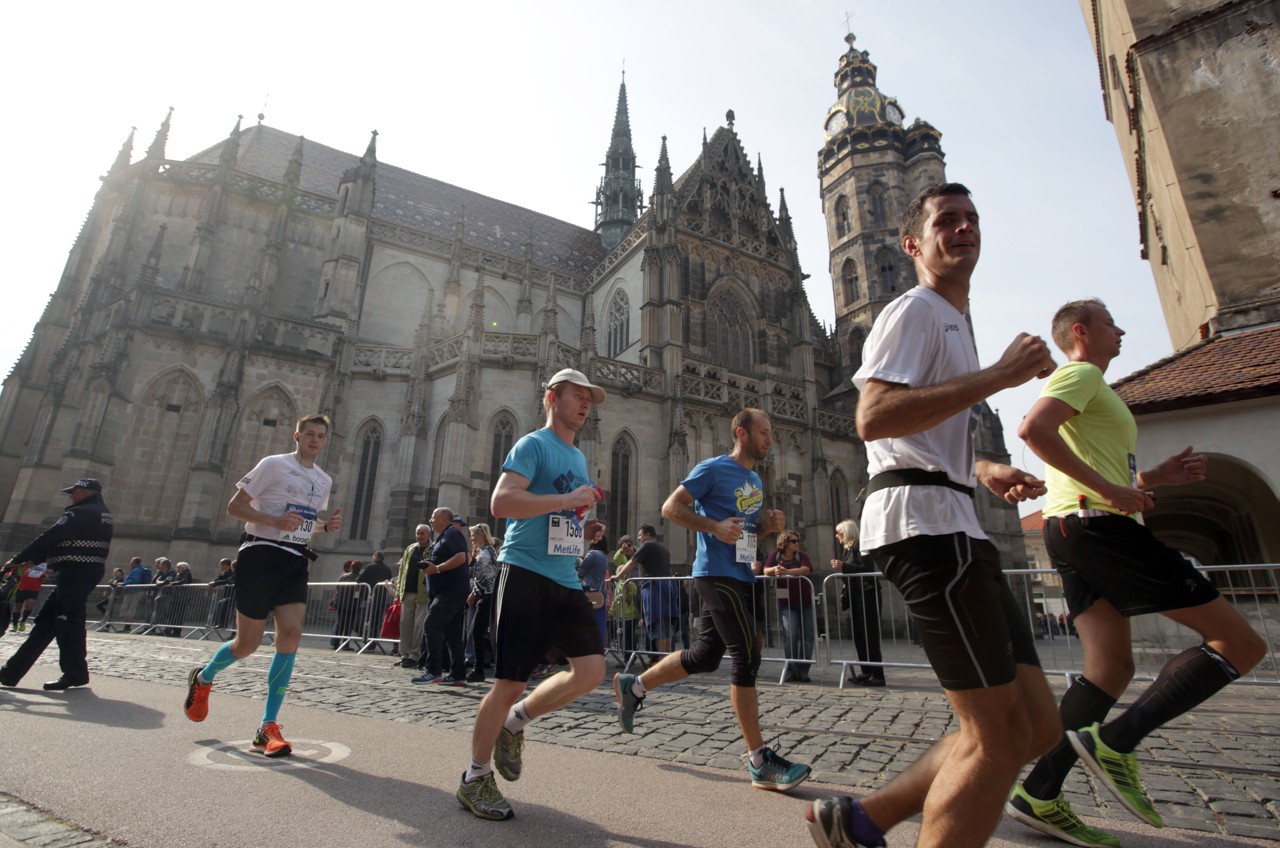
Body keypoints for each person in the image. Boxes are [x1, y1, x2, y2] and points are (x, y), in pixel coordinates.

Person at [807, 183, 1061, 848]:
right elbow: (872, 418)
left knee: (1035, 726)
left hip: (955, 517)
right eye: (946, 220)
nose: (963, 228)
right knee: (996, 739)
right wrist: (1001, 377)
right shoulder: (914, 310)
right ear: (913, 245)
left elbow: (912, 434)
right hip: (925, 526)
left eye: (972, 218)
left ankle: (864, 818)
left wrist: (979, 468)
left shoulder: (948, 322)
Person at [1004, 299, 1266, 847]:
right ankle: (1118, 741)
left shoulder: (1096, 388)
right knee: (1240, 643)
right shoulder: (1079, 374)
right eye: (1109, 322)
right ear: (1080, 332)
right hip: (1100, 527)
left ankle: (1040, 793)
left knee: (1110, 668)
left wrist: (1152, 478)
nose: (1121, 329)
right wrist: (1111, 491)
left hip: (1071, 527)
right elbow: (1033, 430)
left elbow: (1090, 469)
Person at [613, 408, 810, 793]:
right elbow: (671, 508)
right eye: (765, 432)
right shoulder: (713, 468)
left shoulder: (755, 479)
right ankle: (759, 761)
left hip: (741, 574)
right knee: (748, 652)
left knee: (705, 655)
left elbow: (744, 532)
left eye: (772, 432)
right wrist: (712, 526)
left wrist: (766, 529)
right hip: (713, 574)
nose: (771, 438)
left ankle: (634, 686)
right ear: (741, 432)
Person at [455, 367, 607, 821]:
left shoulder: (578, 457)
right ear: (551, 398)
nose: (584, 404)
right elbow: (501, 504)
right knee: (510, 683)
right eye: (576, 396)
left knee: (592, 671)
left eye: (588, 399)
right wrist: (565, 502)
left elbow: (559, 518)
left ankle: (515, 723)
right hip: (523, 572)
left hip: (564, 574)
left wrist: (580, 516)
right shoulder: (532, 445)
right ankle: (474, 778)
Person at [182, 413, 343, 758]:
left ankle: (267, 726)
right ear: (297, 436)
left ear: (325, 441)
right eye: (310, 434)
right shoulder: (273, 465)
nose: (315, 440)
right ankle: (205, 678)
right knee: (247, 644)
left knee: (291, 634)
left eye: (321, 436)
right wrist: (272, 520)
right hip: (259, 553)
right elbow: (235, 507)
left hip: (295, 558)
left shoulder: (323, 480)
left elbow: (304, 524)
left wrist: (324, 529)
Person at [0, 478, 114, 690]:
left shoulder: (81, 512)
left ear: (84, 491)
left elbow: (51, 537)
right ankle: (10, 673)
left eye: (74, 491)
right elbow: (65, 543)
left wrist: (18, 559)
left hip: (77, 572)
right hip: (80, 571)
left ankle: (75, 673)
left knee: (68, 621)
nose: (71, 496)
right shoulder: (99, 511)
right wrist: (33, 560)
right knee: (46, 623)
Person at [412, 508, 470, 685]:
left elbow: (461, 557)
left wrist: (436, 568)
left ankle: (433, 670)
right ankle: (458, 674)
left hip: (451, 591)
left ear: (445, 519)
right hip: (448, 591)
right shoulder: (444, 536)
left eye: (433, 517)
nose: (430, 520)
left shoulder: (452, 533)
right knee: (452, 633)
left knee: (431, 624)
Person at [831, 519, 884, 687]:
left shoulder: (861, 547)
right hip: (856, 595)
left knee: (869, 634)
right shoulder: (848, 549)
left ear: (847, 532)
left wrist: (843, 566)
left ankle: (878, 675)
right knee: (859, 635)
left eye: (838, 532)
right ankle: (866, 671)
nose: (836, 536)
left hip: (867, 594)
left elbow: (868, 570)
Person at [614, 524, 678, 656]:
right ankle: (666, 661)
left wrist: (618, 576)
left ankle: (661, 662)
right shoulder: (663, 548)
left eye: (640, 535)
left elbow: (632, 562)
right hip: (666, 588)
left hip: (654, 589)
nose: (638, 538)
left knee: (658, 627)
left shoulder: (647, 545)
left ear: (648, 535)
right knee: (666, 629)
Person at [764, 530, 815, 682]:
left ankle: (804, 670)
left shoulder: (802, 556)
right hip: (786, 603)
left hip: (805, 600)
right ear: (785, 542)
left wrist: (787, 571)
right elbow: (766, 571)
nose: (797, 543)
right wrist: (775, 569)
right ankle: (791, 669)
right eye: (793, 541)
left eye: (797, 540)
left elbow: (806, 570)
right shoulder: (776, 555)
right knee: (790, 635)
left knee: (807, 637)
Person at [466, 523, 500, 682]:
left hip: (487, 596)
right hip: (484, 595)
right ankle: (480, 668)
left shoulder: (485, 552)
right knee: (483, 632)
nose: (471, 538)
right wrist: (473, 592)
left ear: (481, 536)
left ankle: (479, 669)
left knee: (477, 632)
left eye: (473, 535)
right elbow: (483, 575)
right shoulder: (487, 550)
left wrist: (470, 560)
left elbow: (474, 571)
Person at [396, 525, 432, 668]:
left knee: (419, 625)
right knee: (405, 623)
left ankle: (414, 655)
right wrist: (399, 589)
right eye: (417, 533)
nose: (419, 536)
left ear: (429, 534)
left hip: (423, 593)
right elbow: (402, 569)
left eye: (422, 533)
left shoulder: (433, 549)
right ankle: (404, 654)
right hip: (408, 591)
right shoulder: (410, 549)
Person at [576, 524, 610, 653]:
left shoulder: (593, 554)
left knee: (587, 621)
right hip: (600, 592)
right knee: (599, 621)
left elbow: (581, 571)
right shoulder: (603, 555)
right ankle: (598, 647)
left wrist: (578, 561)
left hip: (589, 590)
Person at [359, 549, 393, 639]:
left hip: (370, 597)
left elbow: (360, 579)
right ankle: (373, 640)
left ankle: (366, 639)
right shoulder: (387, 569)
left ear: (376, 557)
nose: (372, 557)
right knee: (377, 620)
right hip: (381, 598)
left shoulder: (371, 567)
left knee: (367, 619)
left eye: (373, 556)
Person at [330, 560, 363, 650]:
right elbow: (360, 592)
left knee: (340, 623)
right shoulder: (359, 579)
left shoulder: (343, 577)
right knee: (349, 624)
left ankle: (336, 643)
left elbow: (338, 588)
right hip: (352, 603)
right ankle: (345, 644)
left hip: (342, 602)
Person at [9, 560, 49, 633]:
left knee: (29, 605)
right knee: (17, 607)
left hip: (34, 588)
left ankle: (23, 621)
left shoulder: (44, 564)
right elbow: (15, 568)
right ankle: (15, 625)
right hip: (22, 587)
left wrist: (45, 577)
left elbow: (46, 577)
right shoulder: (26, 562)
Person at [208, 558, 236, 631]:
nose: (220, 567)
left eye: (221, 565)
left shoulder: (233, 573)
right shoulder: (225, 573)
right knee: (220, 603)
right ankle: (217, 622)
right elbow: (219, 579)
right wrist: (214, 582)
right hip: (228, 594)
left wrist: (216, 583)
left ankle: (223, 624)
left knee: (224, 604)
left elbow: (229, 581)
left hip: (233, 595)